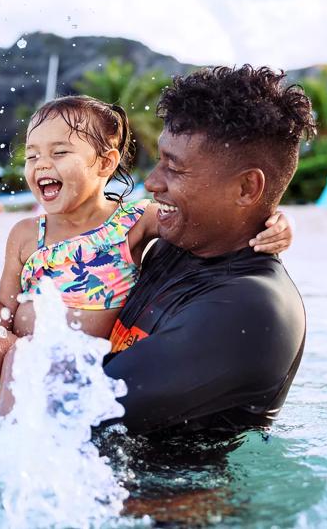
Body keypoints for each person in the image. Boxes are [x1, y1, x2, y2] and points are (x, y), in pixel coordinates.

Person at [0, 96, 293, 415]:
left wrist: (276, 222)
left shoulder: (132, 220)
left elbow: (216, 215)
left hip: (81, 358)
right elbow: (3, 308)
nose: (41, 165)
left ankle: (5, 451)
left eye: (59, 152)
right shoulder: (25, 235)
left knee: (23, 361)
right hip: (21, 341)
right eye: (32, 155)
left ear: (105, 163)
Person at [96, 65, 314, 438]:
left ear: (246, 188)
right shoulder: (177, 246)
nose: (151, 181)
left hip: (163, 495)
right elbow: (66, 286)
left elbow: (77, 406)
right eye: (159, 159)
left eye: (174, 168)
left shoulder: (252, 307)